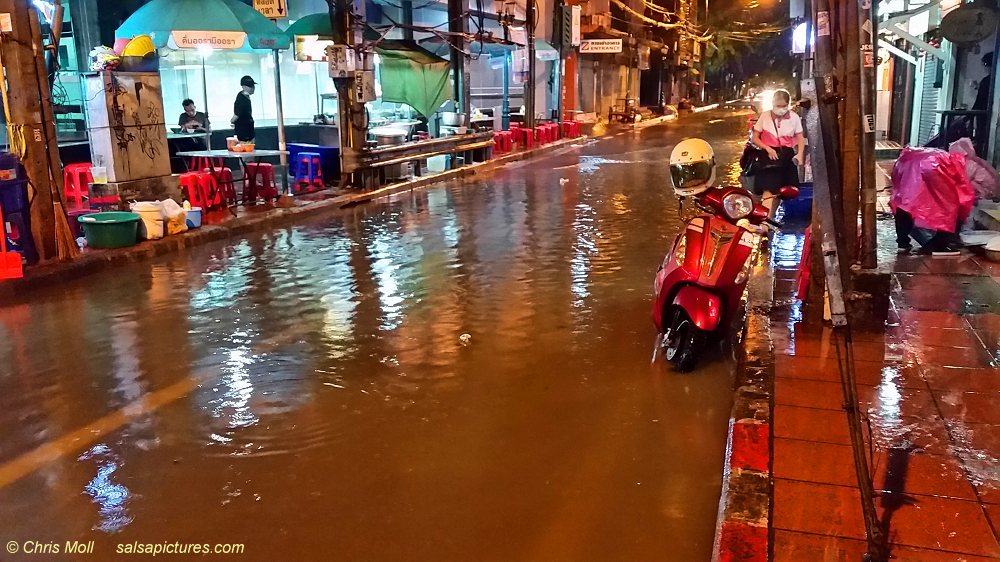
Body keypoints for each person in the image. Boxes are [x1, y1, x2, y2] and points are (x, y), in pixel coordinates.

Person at [750, 89, 805, 219]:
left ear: (788, 104)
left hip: (786, 157)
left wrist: (800, 154)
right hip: (768, 156)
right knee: (768, 190)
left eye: (783, 106)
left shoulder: (794, 118)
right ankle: (764, 221)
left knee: (780, 192)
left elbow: (800, 138)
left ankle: (769, 220)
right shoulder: (765, 116)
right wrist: (767, 148)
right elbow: (755, 138)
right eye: (777, 106)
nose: (780, 109)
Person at [231, 75, 256, 142]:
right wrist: (232, 121)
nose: (253, 88)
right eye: (250, 86)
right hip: (243, 134)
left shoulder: (245, 97)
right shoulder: (241, 99)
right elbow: (237, 114)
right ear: (243, 87)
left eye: (253, 86)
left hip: (248, 131)